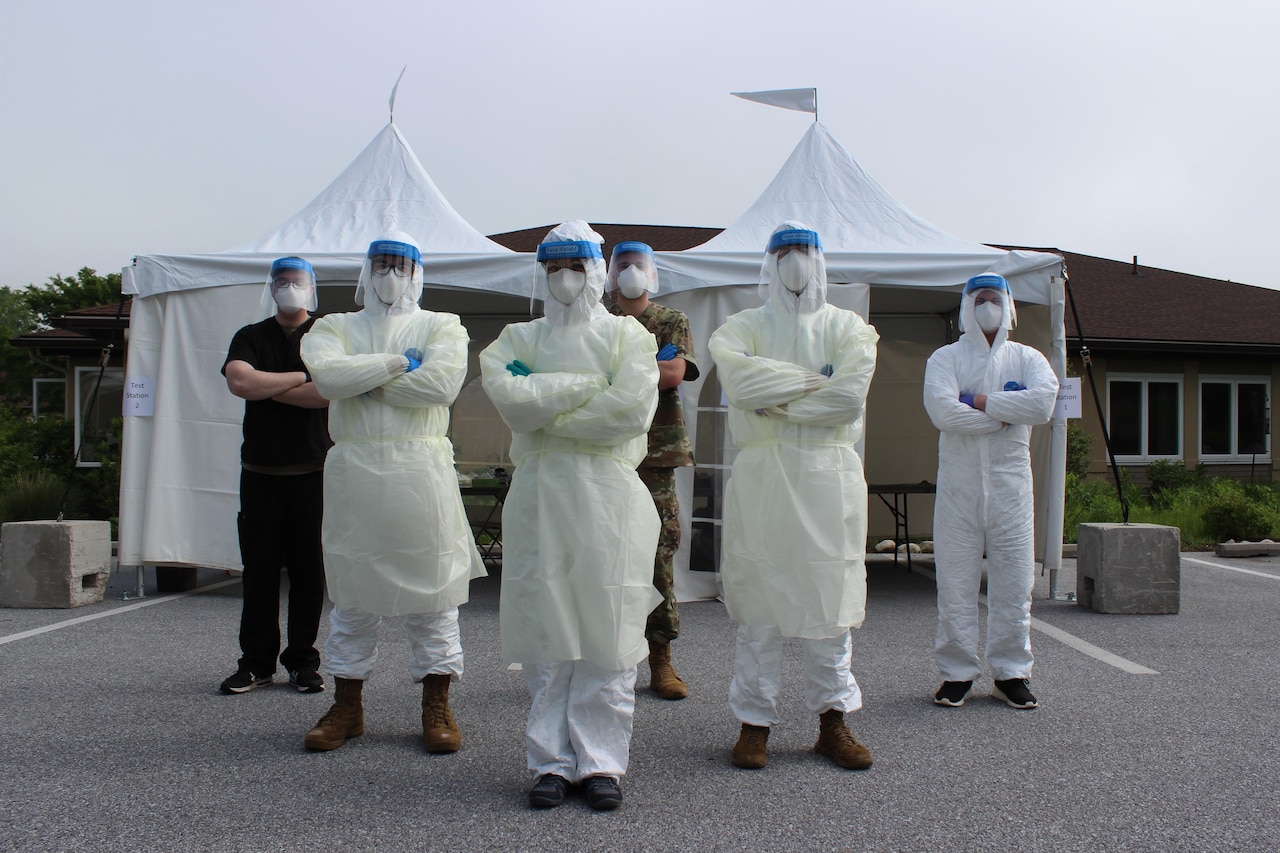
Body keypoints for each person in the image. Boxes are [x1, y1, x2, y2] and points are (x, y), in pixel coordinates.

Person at [480, 221, 661, 811]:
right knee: (546, 621)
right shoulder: (516, 338)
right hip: (540, 495)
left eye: (575, 267)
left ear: (595, 272)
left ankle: (602, 762)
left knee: (606, 623)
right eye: (552, 268)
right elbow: (508, 397)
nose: (564, 279)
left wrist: (546, 404)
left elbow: (630, 411)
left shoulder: (628, 337)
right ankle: (550, 762)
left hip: (609, 496)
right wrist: (589, 387)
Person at [298, 232, 485, 753]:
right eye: (381, 263)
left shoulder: (441, 325)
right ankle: (347, 704)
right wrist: (400, 364)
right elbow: (326, 379)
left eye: (401, 265)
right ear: (366, 269)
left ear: (417, 272)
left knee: (434, 591)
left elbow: (442, 386)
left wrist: (362, 377)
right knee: (353, 594)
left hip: (420, 467)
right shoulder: (333, 325)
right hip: (356, 468)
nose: (390, 274)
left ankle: (437, 703)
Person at [707, 221, 879, 771]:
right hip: (764, 478)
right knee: (759, 600)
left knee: (830, 602)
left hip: (829, 477)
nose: (795, 262)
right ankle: (753, 723)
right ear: (770, 262)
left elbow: (848, 400)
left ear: (820, 261)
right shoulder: (742, 327)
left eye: (804, 252)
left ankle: (834, 722)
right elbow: (741, 386)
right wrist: (815, 381)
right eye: (785, 252)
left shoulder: (850, 328)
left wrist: (776, 398)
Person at [923, 273, 1058, 710]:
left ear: (1008, 305)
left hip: (1011, 493)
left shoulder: (1028, 358)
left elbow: (1042, 404)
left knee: (1015, 587)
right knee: (955, 587)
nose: (987, 306)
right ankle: (956, 673)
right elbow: (943, 413)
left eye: (994, 298)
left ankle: (1011, 673)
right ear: (965, 307)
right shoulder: (945, 358)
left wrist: (978, 402)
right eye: (979, 299)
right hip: (958, 494)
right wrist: (1004, 415)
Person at [220, 256, 330, 696]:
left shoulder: (325, 333)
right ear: (270, 287)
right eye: (281, 281)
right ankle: (256, 663)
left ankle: (303, 662)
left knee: (309, 573)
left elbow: (327, 393)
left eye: (297, 281)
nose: (289, 287)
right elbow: (240, 383)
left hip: (313, 472)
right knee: (259, 573)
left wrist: (269, 387)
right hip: (260, 473)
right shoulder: (251, 335)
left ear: (311, 287)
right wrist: (301, 377)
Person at [606, 240, 699, 700]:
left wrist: (614, 370)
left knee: (658, 552)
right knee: (602, 549)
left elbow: (673, 375)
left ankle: (661, 660)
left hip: (656, 453)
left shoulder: (670, 320)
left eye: (637, 264)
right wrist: (647, 363)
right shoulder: (597, 316)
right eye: (622, 264)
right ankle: (604, 655)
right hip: (603, 449)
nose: (630, 272)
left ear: (651, 271)